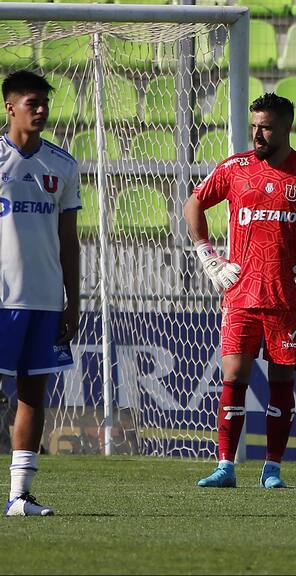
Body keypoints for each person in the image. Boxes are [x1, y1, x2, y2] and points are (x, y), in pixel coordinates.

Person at [185, 93, 296, 489]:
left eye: (265, 127)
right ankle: (225, 466)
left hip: (288, 297)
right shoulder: (235, 168)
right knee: (234, 375)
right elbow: (194, 203)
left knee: (281, 381)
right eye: (254, 126)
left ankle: (273, 467)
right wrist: (208, 257)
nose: (257, 134)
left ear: (285, 128)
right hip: (241, 292)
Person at [0, 70, 81, 516]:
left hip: (45, 300)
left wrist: (74, 300)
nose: (41, 109)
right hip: (0, 300)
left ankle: (18, 496)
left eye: (44, 102)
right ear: (10, 106)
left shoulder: (62, 165)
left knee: (34, 394)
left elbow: (69, 240)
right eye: (32, 102)